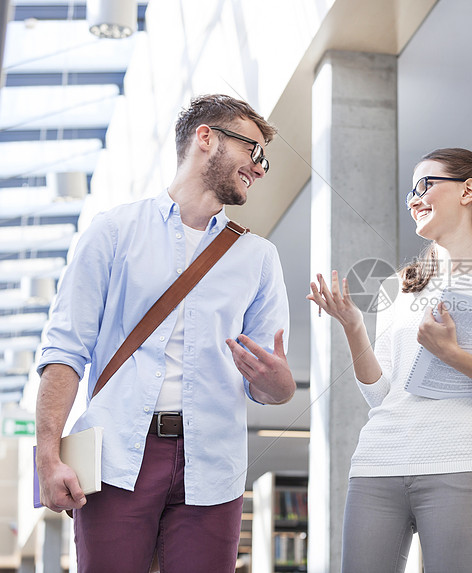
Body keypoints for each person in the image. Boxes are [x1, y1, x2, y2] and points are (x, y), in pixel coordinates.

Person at [35, 94, 296, 572]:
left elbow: (274, 391)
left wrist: (277, 380)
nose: (260, 169)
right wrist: (48, 458)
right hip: (115, 457)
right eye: (253, 152)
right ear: (206, 138)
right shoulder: (113, 231)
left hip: (213, 462)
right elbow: (64, 351)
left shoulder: (258, 257)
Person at [308, 148, 472, 572]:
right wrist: (353, 326)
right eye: (409, 193)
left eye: (425, 185)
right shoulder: (399, 286)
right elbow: (379, 395)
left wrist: (451, 354)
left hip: (459, 464)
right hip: (377, 463)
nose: (414, 199)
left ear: (469, 189)